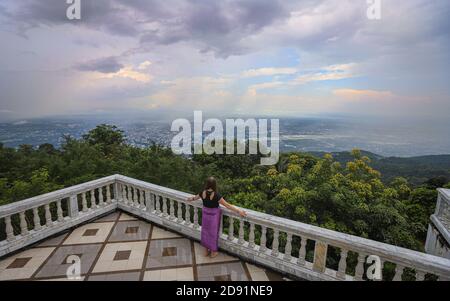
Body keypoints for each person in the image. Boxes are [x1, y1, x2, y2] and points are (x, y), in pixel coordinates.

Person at [187, 177, 247, 258]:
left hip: (205, 215)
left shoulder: (202, 193)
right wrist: (239, 211)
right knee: (212, 234)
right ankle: (213, 252)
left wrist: (190, 199)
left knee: (205, 232)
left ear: (207, 184)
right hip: (213, 216)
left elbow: (195, 198)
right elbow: (227, 205)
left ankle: (205, 251)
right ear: (215, 185)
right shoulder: (216, 195)